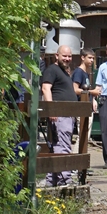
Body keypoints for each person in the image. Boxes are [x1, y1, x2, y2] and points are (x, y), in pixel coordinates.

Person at [40, 45, 77, 186]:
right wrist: (52, 109)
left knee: (57, 147)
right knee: (63, 146)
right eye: (64, 56)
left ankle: (52, 182)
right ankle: (64, 181)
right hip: (60, 115)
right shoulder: (52, 70)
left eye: (69, 56)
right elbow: (45, 88)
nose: (67, 59)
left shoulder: (64, 72)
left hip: (68, 114)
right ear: (57, 56)